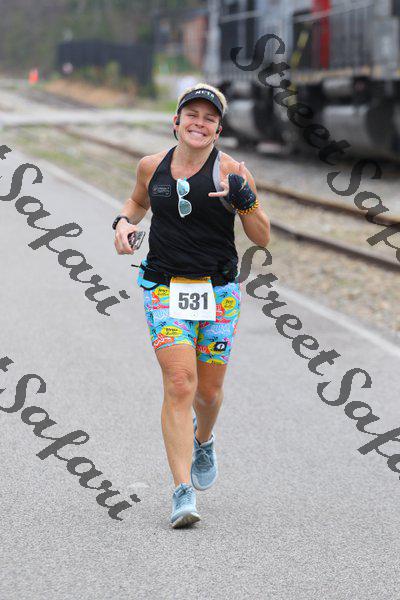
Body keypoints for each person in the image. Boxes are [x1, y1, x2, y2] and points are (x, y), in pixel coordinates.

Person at [113, 83, 270, 528]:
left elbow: (262, 237)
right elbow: (137, 202)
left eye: (209, 119)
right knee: (181, 382)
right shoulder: (151, 166)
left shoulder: (232, 172)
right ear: (176, 122)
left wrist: (245, 201)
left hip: (218, 292)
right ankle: (183, 491)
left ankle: (204, 438)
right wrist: (122, 223)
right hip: (163, 287)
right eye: (192, 115)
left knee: (209, 392)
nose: (199, 124)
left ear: (218, 130)